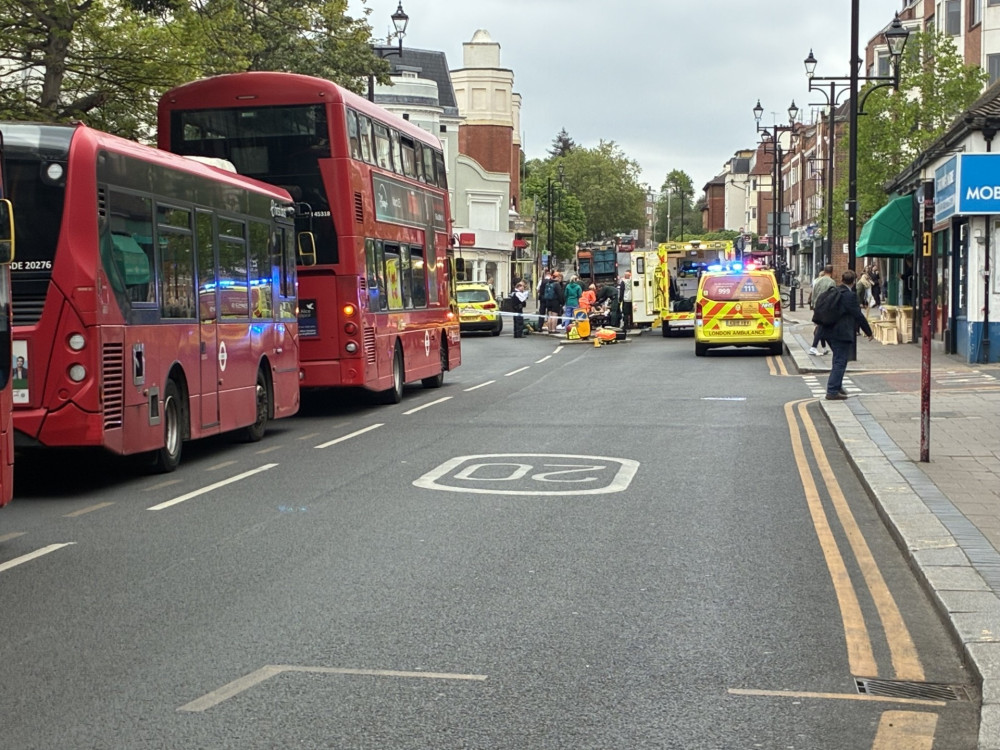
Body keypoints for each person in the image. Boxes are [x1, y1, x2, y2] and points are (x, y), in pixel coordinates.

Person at [818, 269, 874, 401]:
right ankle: (832, 391)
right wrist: (869, 332)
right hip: (840, 333)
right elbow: (858, 315)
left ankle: (837, 387)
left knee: (838, 359)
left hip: (827, 331)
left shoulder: (834, 291)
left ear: (842, 280)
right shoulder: (849, 296)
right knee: (840, 361)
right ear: (854, 282)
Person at [809, 264, 835, 356]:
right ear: (832, 272)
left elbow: (814, 293)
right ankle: (813, 347)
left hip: (817, 306)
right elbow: (833, 296)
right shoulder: (832, 282)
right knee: (821, 327)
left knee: (823, 327)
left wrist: (813, 305)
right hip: (826, 308)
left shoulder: (817, 281)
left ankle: (827, 348)